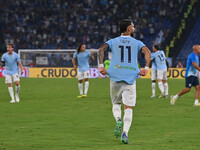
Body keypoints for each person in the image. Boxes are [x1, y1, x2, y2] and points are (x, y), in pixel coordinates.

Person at [98, 19, 151, 144]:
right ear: (128, 29)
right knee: (129, 108)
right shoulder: (137, 42)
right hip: (130, 77)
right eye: (132, 26)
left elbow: (101, 50)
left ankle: (117, 119)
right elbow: (147, 52)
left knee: (116, 104)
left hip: (114, 76)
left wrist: (101, 66)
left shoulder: (113, 41)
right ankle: (125, 133)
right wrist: (146, 68)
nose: (134, 28)